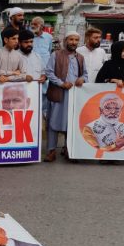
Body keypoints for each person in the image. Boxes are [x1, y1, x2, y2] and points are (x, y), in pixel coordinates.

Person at [45, 31, 87, 162]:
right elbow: (49, 72)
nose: (73, 42)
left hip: (74, 96)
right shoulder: (56, 55)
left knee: (72, 123)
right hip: (58, 93)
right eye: (71, 39)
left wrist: (82, 79)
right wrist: (61, 84)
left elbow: (85, 74)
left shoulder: (80, 57)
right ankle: (51, 151)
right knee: (53, 122)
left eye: (76, 40)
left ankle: (69, 149)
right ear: (65, 41)